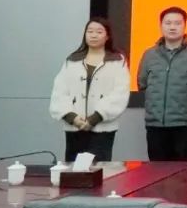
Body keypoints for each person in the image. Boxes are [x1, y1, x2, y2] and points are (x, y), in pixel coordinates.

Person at [49, 18, 131, 162]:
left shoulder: (117, 61)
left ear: (107, 36)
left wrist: (95, 118)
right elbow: (59, 91)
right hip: (75, 127)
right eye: (90, 31)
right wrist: (72, 117)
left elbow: (120, 93)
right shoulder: (72, 60)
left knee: (99, 168)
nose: (93, 35)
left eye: (99, 32)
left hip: (102, 127)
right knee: (73, 168)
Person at [137, 6, 187, 161]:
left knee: (183, 170)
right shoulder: (149, 54)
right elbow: (142, 84)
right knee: (156, 170)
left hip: (185, 124)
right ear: (160, 25)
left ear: (185, 25)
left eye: (177, 23)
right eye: (168, 23)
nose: (172, 27)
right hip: (155, 124)